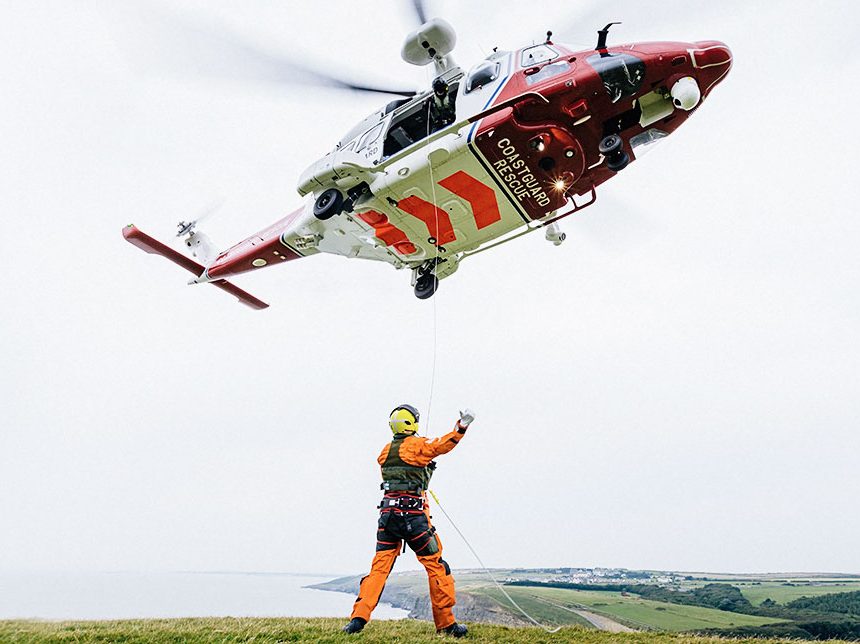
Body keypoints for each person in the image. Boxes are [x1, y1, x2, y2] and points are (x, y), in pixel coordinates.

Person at [343, 404, 475, 637]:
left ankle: (357, 619)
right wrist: (461, 427)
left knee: (379, 569)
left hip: (387, 518)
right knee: (436, 566)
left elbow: (402, 471)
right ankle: (446, 625)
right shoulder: (417, 446)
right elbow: (441, 445)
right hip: (414, 519)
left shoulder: (384, 452)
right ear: (411, 423)